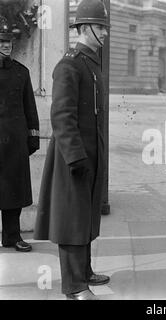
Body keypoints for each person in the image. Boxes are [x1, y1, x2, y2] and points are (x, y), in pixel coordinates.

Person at [33, 0, 110, 300]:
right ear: (84, 27)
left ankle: (85, 271)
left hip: (90, 155)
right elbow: (62, 117)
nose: (104, 33)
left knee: (86, 216)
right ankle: (75, 287)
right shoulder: (69, 64)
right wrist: (77, 157)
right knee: (72, 221)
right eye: (100, 27)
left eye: (104, 27)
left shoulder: (89, 62)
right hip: (73, 157)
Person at [0, 16, 39, 253]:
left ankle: (12, 237)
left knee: (13, 190)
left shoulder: (21, 72)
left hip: (14, 141)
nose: (6, 45)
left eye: (8, 42)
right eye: (1, 41)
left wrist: (32, 137)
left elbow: (30, 107)